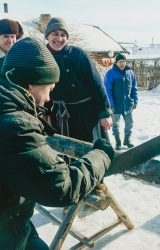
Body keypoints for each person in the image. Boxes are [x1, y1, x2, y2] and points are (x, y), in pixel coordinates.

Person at [0, 37, 114, 250]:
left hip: (12, 221)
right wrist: (101, 156)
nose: (48, 99)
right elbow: (63, 187)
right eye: (49, 89)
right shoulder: (16, 126)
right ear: (31, 82)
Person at [43, 17, 112, 143]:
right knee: (65, 151)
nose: (59, 39)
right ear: (47, 36)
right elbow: (42, 88)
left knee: (92, 149)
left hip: (87, 113)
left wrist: (104, 113)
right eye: (55, 34)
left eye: (63, 35)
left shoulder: (79, 55)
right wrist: (46, 111)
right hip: (60, 113)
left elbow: (96, 84)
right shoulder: (42, 57)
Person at [104, 54, 138, 150]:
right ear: (116, 63)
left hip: (127, 104)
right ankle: (118, 141)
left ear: (126, 62)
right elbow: (107, 91)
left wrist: (135, 100)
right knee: (115, 124)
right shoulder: (110, 74)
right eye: (119, 62)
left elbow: (134, 88)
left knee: (129, 122)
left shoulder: (130, 73)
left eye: (123, 61)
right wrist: (111, 104)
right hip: (116, 104)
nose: (122, 63)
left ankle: (127, 140)